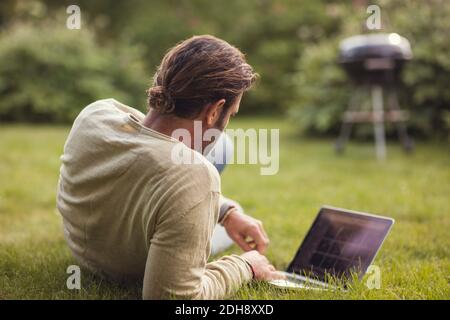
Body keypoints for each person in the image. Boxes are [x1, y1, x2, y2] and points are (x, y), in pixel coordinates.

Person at [56, 35, 284, 300]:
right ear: (214, 111)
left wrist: (225, 211)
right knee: (219, 150)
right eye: (230, 115)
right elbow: (175, 299)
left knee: (222, 152)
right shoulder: (194, 176)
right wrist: (245, 266)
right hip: (130, 268)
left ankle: (220, 209)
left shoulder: (95, 114)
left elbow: (143, 152)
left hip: (84, 249)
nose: (227, 121)